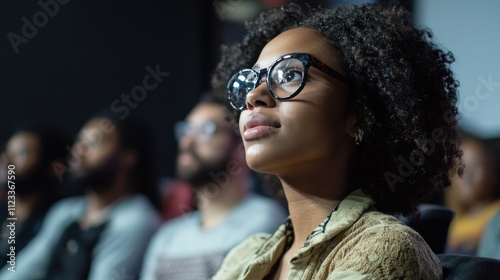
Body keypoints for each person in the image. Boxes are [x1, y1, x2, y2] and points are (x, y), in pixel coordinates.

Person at [211, 3, 463, 279]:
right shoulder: (245, 255)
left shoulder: (381, 247)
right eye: (250, 81)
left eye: (289, 75)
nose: (253, 96)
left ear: (360, 114)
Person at [141, 92, 287, 280]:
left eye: (205, 130)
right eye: (185, 130)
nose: (186, 141)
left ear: (242, 146)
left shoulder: (263, 221)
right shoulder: (167, 237)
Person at [0, 112, 161, 280]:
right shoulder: (65, 211)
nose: (79, 151)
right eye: (79, 141)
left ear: (129, 156)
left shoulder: (135, 220)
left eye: (94, 142)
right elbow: (25, 270)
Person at [0, 125, 68, 269]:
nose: (6, 160)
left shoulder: (59, 221)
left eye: (20, 153)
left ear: (53, 167)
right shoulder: (3, 213)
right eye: (7, 151)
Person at [447, 135, 500, 256]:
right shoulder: (453, 223)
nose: (466, 176)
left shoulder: (496, 218)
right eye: (460, 167)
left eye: (476, 166)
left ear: (494, 175)